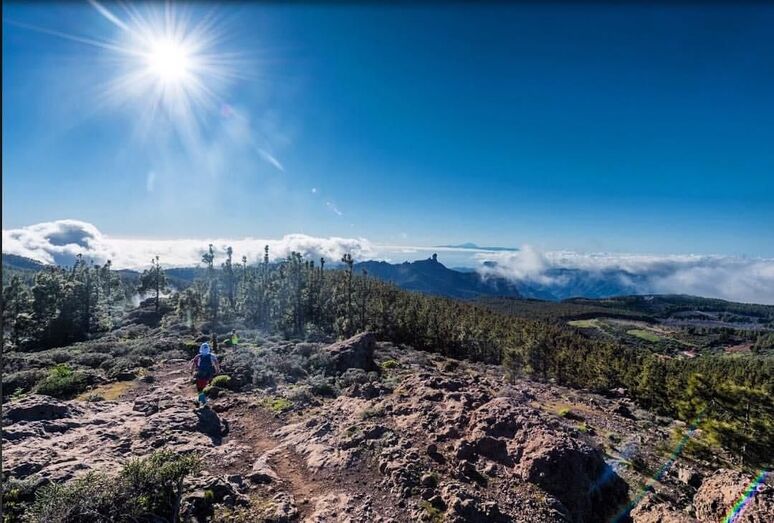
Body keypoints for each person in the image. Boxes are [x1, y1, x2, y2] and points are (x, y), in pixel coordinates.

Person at [190, 342, 220, 406]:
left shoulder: (198, 356)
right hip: (209, 373)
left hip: (200, 373)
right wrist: (217, 370)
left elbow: (193, 365)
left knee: (199, 387)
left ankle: (202, 400)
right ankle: (202, 399)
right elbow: (216, 363)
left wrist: (192, 372)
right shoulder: (212, 356)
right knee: (205, 386)